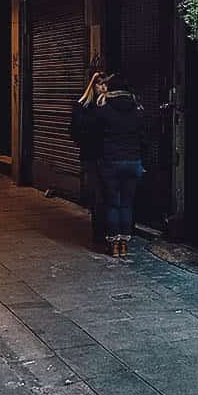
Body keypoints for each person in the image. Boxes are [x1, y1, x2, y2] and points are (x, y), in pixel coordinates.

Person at [70, 73, 144, 258]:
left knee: (112, 203)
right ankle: (124, 246)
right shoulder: (137, 109)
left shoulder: (103, 110)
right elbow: (144, 137)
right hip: (133, 161)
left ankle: (113, 246)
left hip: (110, 162)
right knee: (127, 204)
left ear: (111, 90)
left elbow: (87, 129)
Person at [69, 70, 109, 248]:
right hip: (92, 157)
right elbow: (74, 131)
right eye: (100, 83)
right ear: (93, 85)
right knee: (98, 196)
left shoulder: (110, 106)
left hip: (109, 157)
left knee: (108, 196)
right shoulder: (82, 106)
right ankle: (99, 238)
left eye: (105, 84)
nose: (103, 87)